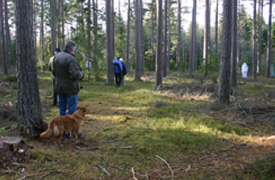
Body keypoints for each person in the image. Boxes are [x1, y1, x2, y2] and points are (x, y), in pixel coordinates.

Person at [53, 40, 84, 116]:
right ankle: (69, 127)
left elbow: (54, 72)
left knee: (62, 109)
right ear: (72, 49)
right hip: (70, 88)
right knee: (72, 111)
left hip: (60, 87)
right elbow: (75, 75)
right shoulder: (71, 59)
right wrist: (81, 75)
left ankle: (62, 127)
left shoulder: (57, 57)